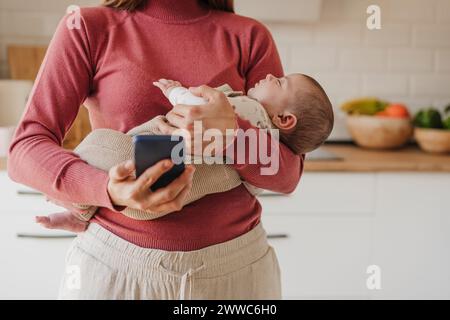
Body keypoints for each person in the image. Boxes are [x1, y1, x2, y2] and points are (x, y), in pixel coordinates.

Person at [8, 0, 304, 299]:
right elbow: (24, 148)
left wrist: (232, 136)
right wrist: (107, 189)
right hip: (114, 270)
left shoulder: (249, 37)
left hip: (238, 275)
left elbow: (288, 173)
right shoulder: (87, 26)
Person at [36, 73, 333, 233]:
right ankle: (82, 212)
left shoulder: (251, 109)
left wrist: (176, 92)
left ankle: (80, 209)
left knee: (98, 144)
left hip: (163, 162)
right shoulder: (91, 26)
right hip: (133, 225)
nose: (270, 75)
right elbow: (28, 142)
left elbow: (288, 175)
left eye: (279, 82)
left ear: (285, 120)